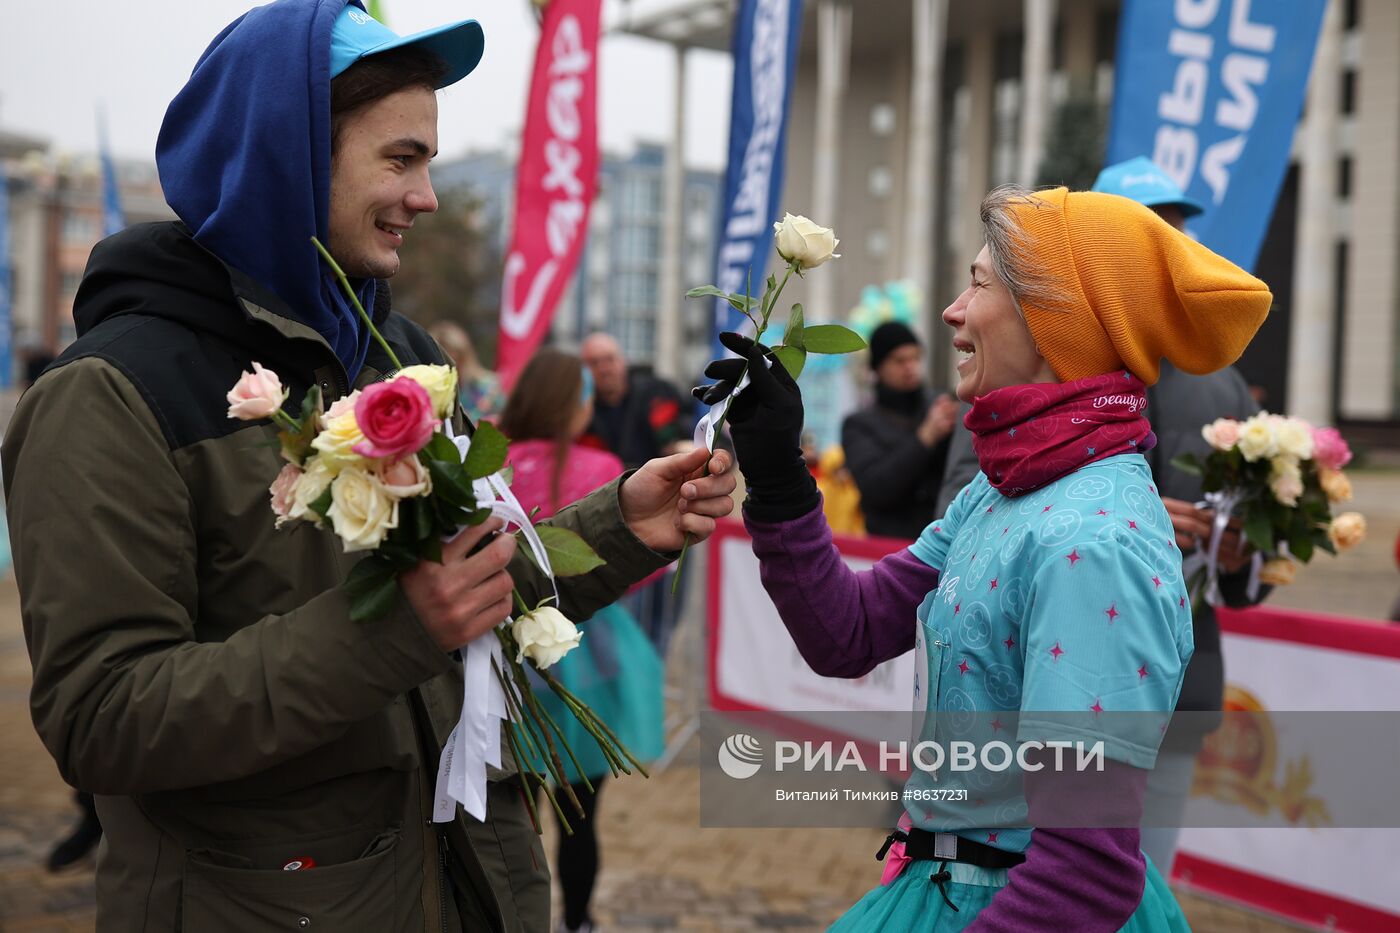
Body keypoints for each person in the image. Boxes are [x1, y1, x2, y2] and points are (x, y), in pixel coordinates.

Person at [1, 4, 735, 930]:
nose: (426, 195)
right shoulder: (109, 393)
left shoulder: (398, 358)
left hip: (464, 889)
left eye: (428, 161)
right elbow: (102, 717)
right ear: (288, 157)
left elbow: (466, 592)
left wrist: (620, 526)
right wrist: (395, 633)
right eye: (401, 158)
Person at [697, 184, 1270, 931]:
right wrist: (776, 476)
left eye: (978, 284)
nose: (951, 312)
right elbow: (848, 632)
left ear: (1052, 321)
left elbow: (1083, 878)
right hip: (945, 885)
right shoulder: (1002, 495)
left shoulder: (1093, 544)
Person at [936, 156, 1268, 875]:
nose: (1168, 247)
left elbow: (1260, 545)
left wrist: (1241, 555)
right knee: (1044, 875)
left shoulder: (1226, 387)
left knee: (1126, 880)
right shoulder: (1023, 378)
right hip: (1039, 696)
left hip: (1181, 687)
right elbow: (962, 511)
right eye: (1149, 231)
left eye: (1175, 229)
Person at [499, 349, 665, 933]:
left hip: (501, 653)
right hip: (589, 651)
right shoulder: (601, 467)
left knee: (507, 817)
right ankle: (577, 922)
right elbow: (638, 562)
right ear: (572, 404)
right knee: (580, 813)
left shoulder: (493, 465)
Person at [842, 322, 959, 539]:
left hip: (942, 542)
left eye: (915, 358)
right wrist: (926, 438)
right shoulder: (859, 424)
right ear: (878, 367)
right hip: (888, 547)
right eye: (899, 360)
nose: (910, 367)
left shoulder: (940, 407)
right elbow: (876, 488)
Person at [579, 332, 689, 469]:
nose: (603, 369)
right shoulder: (578, 412)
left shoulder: (657, 393)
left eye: (609, 359)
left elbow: (687, 426)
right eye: (594, 363)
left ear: (623, 360)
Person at [429, 319, 505, 424]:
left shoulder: (489, 387)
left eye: (454, 353)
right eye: (443, 354)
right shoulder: (430, 392)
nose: (451, 360)